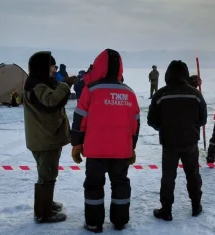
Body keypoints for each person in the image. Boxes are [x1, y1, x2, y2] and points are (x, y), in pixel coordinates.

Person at [70, 49, 140, 233]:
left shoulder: (90, 90)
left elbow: (79, 120)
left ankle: (94, 223)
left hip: (95, 151)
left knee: (94, 185)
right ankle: (120, 221)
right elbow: (135, 124)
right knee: (120, 183)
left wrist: (77, 144)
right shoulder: (129, 93)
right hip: (121, 151)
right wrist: (132, 147)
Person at [147, 60, 207, 221]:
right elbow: (203, 119)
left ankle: (166, 210)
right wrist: (191, 128)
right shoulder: (195, 94)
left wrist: (165, 128)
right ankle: (196, 205)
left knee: (168, 177)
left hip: (169, 142)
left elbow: (151, 120)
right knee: (193, 174)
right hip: (190, 142)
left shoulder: (161, 94)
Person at [23, 51, 77, 223]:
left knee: (47, 173)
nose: (54, 69)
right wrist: (65, 85)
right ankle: (43, 213)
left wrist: (62, 86)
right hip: (44, 139)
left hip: (45, 137)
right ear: (43, 67)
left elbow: (55, 99)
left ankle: (46, 203)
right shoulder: (37, 85)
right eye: (52, 66)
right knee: (47, 175)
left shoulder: (40, 83)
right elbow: (51, 101)